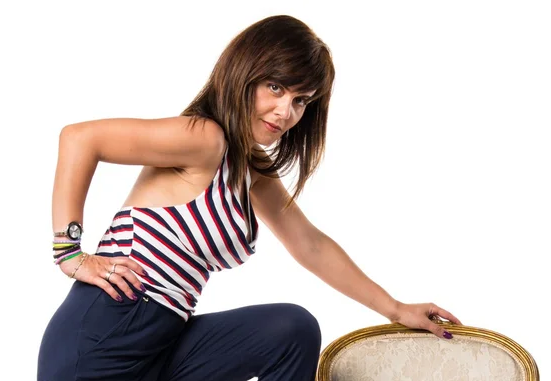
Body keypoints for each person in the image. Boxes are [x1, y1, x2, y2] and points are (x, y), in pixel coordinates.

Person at [38, 14, 461, 381]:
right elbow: (80, 139)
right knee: (291, 328)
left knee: (291, 330)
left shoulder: (250, 167)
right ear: (244, 72)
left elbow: (309, 244)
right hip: (107, 333)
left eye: (300, 101)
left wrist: (394, 308)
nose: (285, 112)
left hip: (163, 340)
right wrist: (69, 254)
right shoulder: (206, 138)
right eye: (275, 88)